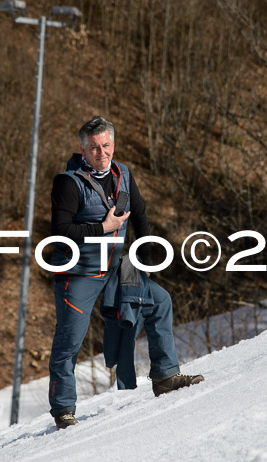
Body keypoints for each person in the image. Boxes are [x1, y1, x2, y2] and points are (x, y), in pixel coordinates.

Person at [47, 116, 204, 429]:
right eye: (94, 148)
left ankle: (164, 375)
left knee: (159, 300)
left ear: (113, 145)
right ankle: (63, 411)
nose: (101, 152)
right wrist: (102, 227)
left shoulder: (123, 173)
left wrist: (144, 263)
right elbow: (60, 231)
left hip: (118, 266)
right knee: (69, 342)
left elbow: (141, 218)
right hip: (78, 272)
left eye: (106, 145)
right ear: (82, 149)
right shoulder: (68, 182)